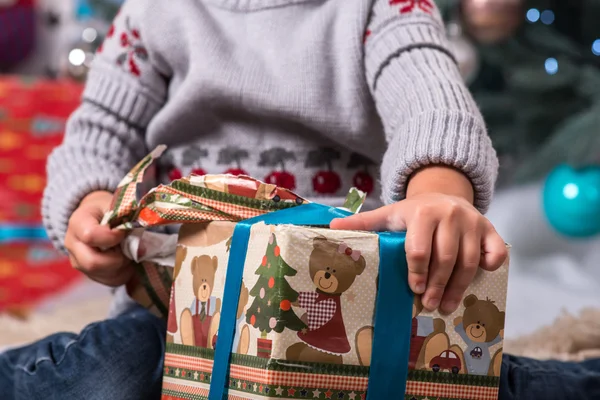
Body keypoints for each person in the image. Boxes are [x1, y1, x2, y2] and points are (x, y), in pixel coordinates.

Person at [1, 0, 596, 399]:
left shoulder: (385, 9)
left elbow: (432, 99)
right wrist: (88, 208)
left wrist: (439, 191)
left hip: (357, 310)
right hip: (185, 313)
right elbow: (98, 133)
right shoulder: (153, 13)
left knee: (463, 380)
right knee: (113, 370)